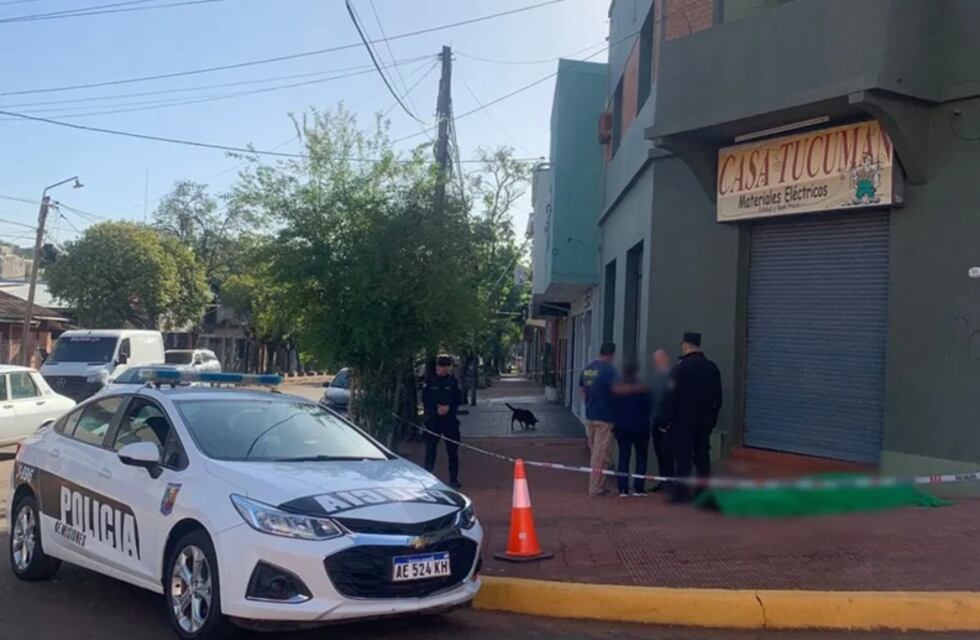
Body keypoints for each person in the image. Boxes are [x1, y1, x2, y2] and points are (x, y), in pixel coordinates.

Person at [667, 332, 722, 503]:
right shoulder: (711, 367)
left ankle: (681, 494)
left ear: (685, 345)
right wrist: (712, 419)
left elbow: (672, 396)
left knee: (683, 457)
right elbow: (718, 398)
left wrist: (667, 419)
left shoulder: (680, 368)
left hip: (683, 419)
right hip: (704, 420)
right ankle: (702, 492)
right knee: (702, 456)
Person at [579, 341, 618, 496]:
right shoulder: (610, 370)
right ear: (612, 354)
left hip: (591, 416)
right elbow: (617, 391)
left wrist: (589, 403)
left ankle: (598, 484)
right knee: (601, 455)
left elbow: (583, 390)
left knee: (595, 451)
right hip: (605, 417)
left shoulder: (590, 369)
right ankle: (596, 487)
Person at [422, 355, 463, 489]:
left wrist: (449, 407)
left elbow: (459, 399)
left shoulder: (453, 382)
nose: (441, 369)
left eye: (444, 366)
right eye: (439, 366)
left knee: (452, 451)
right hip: (433, 420)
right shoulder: (430, 381)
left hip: (449, 420)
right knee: (430, 450)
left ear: (448, 368)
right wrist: (435, 409)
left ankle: (453, 479)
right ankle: (427, 478)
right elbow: (425, 399)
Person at [614, 361, 651, 497]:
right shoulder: (643, 388)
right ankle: (638, 488)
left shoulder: (618, 388)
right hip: (640, 427)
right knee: (641, 457)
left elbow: (613, 407)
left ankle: (623, 488)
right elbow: (648, 407)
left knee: (623, 456)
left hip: (622, 427)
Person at [648, 348, 674, 492]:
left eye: (659, 359)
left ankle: (670, 483)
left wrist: (669, 420)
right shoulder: (655, 378)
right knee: (659, 452)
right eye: (655, 360)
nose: (657, 362)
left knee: (668, 453)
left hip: (668, 421)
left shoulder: (672, 376)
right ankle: (663, 481)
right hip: (656, 419)